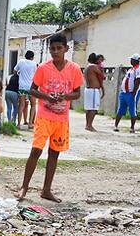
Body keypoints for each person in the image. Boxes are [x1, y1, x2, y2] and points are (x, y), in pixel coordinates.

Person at [14, 33, 83, 202]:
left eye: (59, 48)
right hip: (44, 116)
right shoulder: (43, 68)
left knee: (54, 154)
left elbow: (77, 94)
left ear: (66, 49)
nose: (56, 51)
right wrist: (47, 97)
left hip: (61, 119)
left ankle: (46, 190)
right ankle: (24, 187)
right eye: (53, 48)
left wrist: (64, 97)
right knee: (36, 150)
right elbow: (32, 89)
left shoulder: (74, 69)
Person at [115, 53, 140, 133]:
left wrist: (134, 92)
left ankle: (132, 127)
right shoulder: (131, 69)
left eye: (131, 59)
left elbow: (137, 80)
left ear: (134, 60)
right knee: (120, 109)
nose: (130, 61)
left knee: (132, 110)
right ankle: (116, 125)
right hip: (124, 92)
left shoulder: (139, 69)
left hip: (131, 93)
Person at [15, 51, 38, 129]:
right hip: (31, 87)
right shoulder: (34, 64)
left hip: (22, 86)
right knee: (33, 104)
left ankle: (18, 124)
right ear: (32, 57)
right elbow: (36, 74)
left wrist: (20, 74)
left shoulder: (21, 62)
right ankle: (30, 123)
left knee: (21, 104)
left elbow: (15, 71)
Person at [84, 52, 106, 131]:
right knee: (93, 108)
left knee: (88, 108)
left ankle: (87, 124)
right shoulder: (94, 67)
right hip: (93, 90)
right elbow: (103, 76)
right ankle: (89, 125)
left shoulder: (87, 67)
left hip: (88, 90)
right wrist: (101, 68)